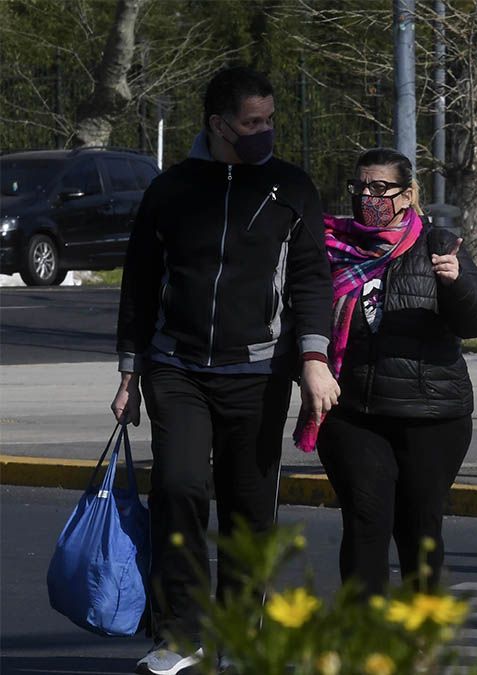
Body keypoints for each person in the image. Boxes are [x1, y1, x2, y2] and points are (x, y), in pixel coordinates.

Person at [112, 66, 340, 675]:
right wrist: (130, 372)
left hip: (258, 374)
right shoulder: (172, 189)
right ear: (218, 125)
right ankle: (178, 637)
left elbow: (312, 279)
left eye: (270, 120)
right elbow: (138, 283)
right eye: (252, 123)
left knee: (248, 509)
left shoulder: (292, 187)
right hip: (176, 368)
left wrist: (313, 360)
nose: (265, 131)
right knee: (181, 490)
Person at [294, 148, 477, 596]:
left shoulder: (438, 245)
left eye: (380, 188)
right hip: (354, 414)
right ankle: (365, 642)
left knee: (419, 529)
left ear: (407, 196)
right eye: (360, 187)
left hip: (432, 414)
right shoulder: (329, 247)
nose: (368, 196)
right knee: (366, 521)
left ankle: (419, 638)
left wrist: (456, 282)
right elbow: (303, 319)